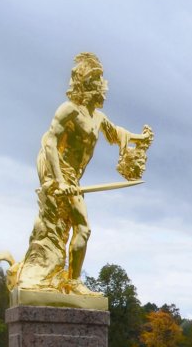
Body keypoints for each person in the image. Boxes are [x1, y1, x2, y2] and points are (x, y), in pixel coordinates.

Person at [16, 53, 153, 295]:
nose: (105, 89)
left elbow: (115, 133)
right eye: (100, 83)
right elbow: (49, 142)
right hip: (59, 173)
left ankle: (70, 280)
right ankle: (68, 279)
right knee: (78, 227)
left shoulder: (97, 117)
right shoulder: (69, 110)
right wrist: (58, 180)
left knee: (77, 228)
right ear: (88, 85)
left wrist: (140, 138)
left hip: (74, 180)